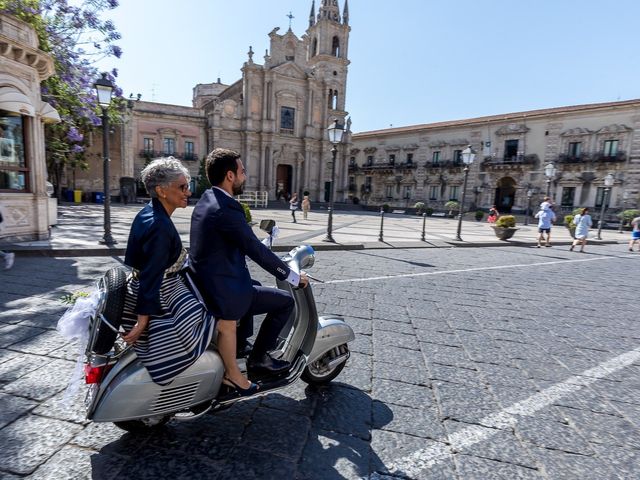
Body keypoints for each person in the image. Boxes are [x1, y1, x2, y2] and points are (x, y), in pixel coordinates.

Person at [190, 148, 309, 394]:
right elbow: (254, 249)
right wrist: (293, 277)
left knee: (253, 282)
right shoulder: (227, 207)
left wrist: (259, 244)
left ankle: (241, 344)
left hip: (206, 280)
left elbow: (228, 242)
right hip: (223, 290)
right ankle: (259, 359)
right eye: (242, 172)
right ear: (230, 176)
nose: (245, 177)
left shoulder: (207, 199)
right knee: (285, 302)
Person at [121, 157, 217, 386]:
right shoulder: (160, 227)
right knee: (222, 313)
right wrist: (142, 323)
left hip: (145, 287)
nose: (188, 191)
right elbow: (151, 275)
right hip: (163, 295)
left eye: (188, 186)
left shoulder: (148, 212)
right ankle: (228, 374)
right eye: (182, 187)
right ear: (161, 191)